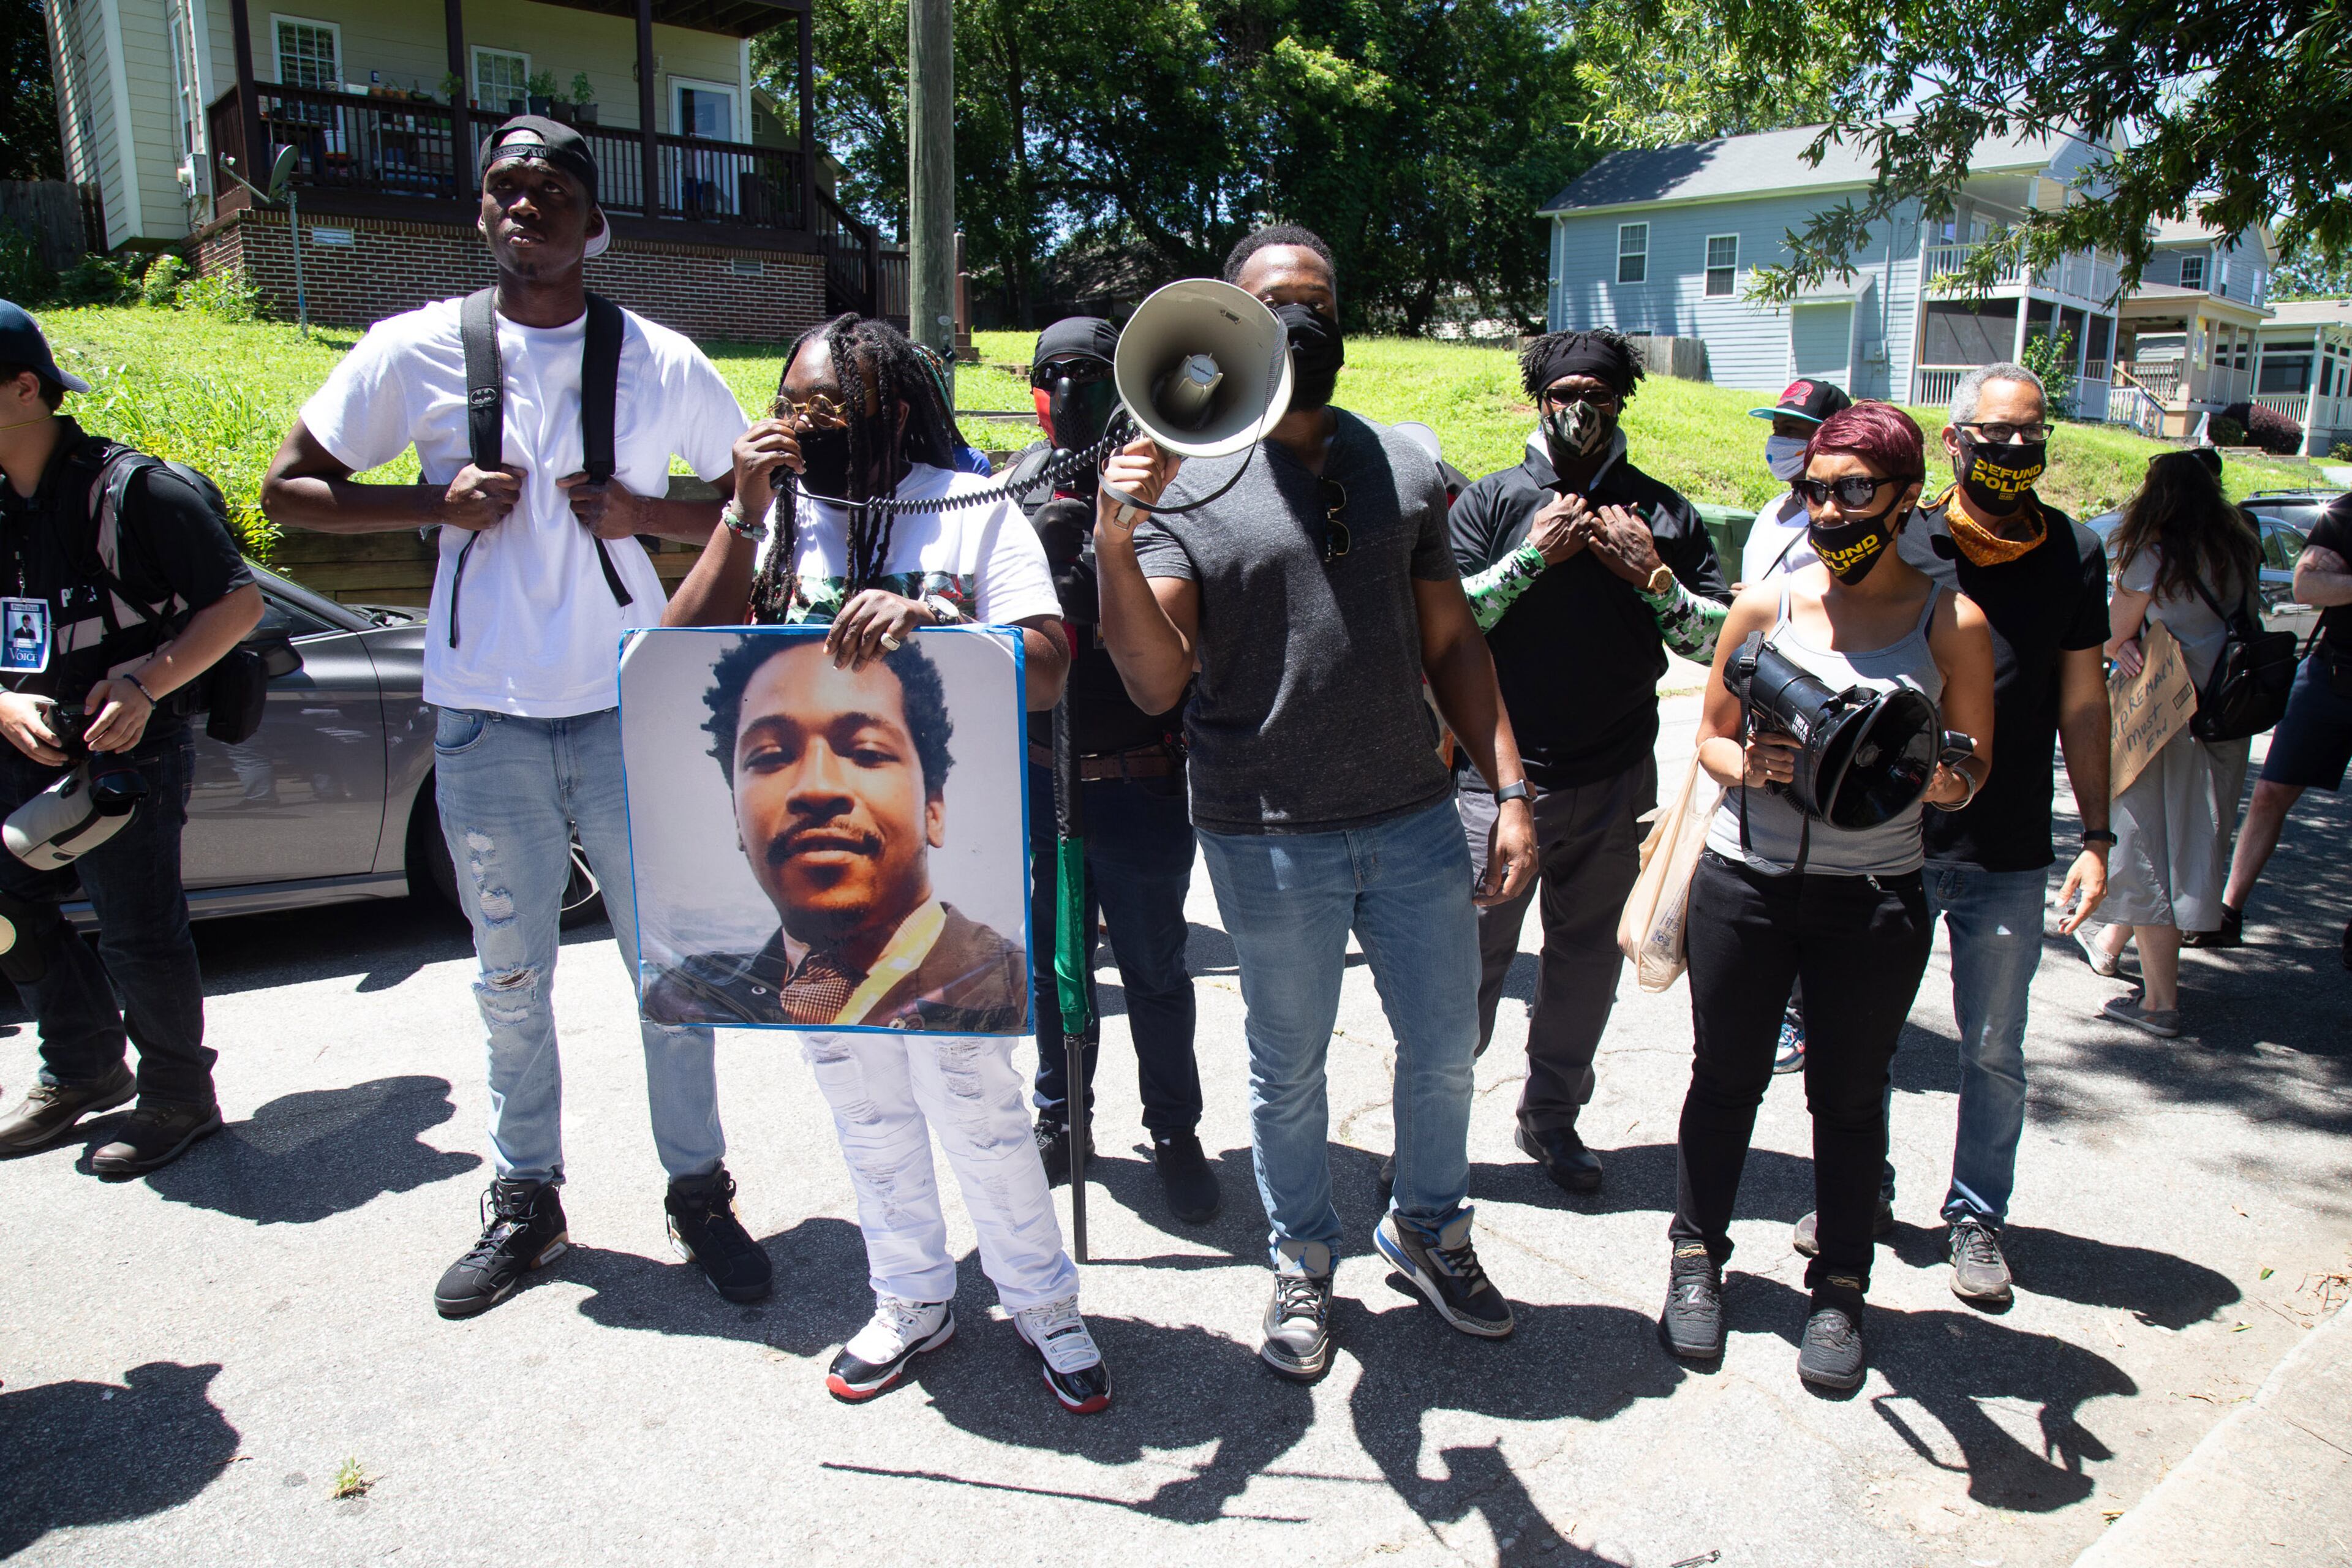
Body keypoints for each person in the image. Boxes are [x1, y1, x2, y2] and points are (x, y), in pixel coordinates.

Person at [258, 117, 767, 1319]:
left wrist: (645, 511)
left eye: (551, 192)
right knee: (508, 978)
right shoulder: (415, 349)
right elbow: (288, 493)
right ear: (482, 212)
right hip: (484, 717)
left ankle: (700, 1189)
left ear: (594, 223)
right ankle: (525, 1197)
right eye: (505, 189)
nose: (525, 207)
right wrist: (435, 498)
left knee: (672, 967)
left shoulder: (658, 359)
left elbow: (760, 498)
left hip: (629, 709)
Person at [1091, 224, 1539, 1381]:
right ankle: (1302, 1256)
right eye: (1276, 302)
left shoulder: (1400, 458)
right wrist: (1114, 537)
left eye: (1320, 300)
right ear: (1232, 327)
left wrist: (1513, 791)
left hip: (1412, 818)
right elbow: (1152, 677)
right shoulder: (1190, 477)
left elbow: (1453, 639)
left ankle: (1430, 1229)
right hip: (1265, 831)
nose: (1305, 320)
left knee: (1444, 1047)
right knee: (1288, 1067)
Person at [663, 314, 1107, 1414]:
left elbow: (1048, 668)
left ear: (892, 407)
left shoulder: (969, 505)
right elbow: (677, 658)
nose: (803, 424)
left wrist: (938, 619)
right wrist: (739, 512)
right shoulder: (780, 516)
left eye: (826, 407)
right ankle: (912, 1294)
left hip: (947, 885)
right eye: (791, 404)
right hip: (812, 907)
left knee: (973, 1100)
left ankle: (1043, 1302)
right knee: (861, 1105)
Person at [1663, 401, 1994, 1392]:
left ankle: (1843, 1288)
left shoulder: (1953, 621)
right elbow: (1709, 737)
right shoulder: (1765, 605)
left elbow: (1977, 768)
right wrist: (1754, 764)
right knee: (1724, 1079)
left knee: (1849, 1098)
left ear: (1904, 500)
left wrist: (1939, 775)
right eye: (1815, 489)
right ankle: (1693, 1261)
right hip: (1747, 885)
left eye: (1854, 490)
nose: (1830, 510)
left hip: (1875, 899)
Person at [1790, 361, 2112, 1310]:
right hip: (1892, 835)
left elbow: (2086, 701)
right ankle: (1864, 1188)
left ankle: (1977, 1216)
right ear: (1957, 439)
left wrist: (2099, 834)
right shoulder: (1906, 537)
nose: (2016, 450)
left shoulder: (2076, 551)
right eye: (1997, 433)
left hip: (2007, 845)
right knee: (1865, 1038)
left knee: (1994, 1048)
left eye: (2033, 432)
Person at [1447, 328, 1730, 1193]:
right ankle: (1434, 1135)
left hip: (1616, 783)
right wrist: (1532, 559)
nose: (1581, 410)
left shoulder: (1661, 511)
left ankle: (1552, 1117)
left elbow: (1722, 640)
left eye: (1599, 395)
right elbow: (1444, 632)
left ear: (1622, 401)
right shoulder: (1491, 502)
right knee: (1464, 969)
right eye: (1564, 393)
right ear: (1539, 402)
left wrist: (1655, 581)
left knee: (1583, 967)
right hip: (1493, 786)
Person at [0, 301, 264, 1172]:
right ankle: (82, 1070)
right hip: (21, 744)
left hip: (130, 748)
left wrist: (147, 683)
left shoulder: (135, 490)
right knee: (8, 908)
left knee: (136, 930)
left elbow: (239, 604)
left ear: (24, 388)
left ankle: (179, 1095)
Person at [1014, 316, 1218, 1225]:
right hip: (1036, 776)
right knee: (1056, 971)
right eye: (1051, 374)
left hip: (1136, 778)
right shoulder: (1008, 485)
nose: (1068, 392)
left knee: (1154, 972)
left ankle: (1174, 1133)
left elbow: (1165, 660)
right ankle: (1062, 1120)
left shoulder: (1162, 486)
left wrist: (1109, 537)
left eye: (1089, 374)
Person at [642, 635, 1026, 1031]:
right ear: (737, 818)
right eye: (771, 756)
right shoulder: (689, 995)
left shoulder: (1016, 990)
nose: (818, 788)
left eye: (868, 753)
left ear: (933, 809)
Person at [2080, 454, 2264, 1032]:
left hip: (2162, 716)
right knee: (2194, 843)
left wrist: (2118, 648)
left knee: (2146, 849)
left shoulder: (2152, 553)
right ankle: (2110, 945)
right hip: (2226, 711)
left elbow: (2112, 633)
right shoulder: (2240, 546)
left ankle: (2160, 1004)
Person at [1733, 379, 1855, 1077]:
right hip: (1760, 709)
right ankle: (1775, 1003)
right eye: (1776, 424)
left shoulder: (1841, 521)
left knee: (1816, 861)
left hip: (1821, 709)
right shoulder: (1770, 517)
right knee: (1762, 867)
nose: (1782, 440)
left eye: (1797, 427)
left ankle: (1812, 1012)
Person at [2207, 491, 2352, 970]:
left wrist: (2344, 580)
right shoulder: (2347, 512)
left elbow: (2330, 585)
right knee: (2270, 793)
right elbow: (2309, 587)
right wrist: (2327, 581)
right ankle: (2227, 912)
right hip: (2334, 673)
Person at [1739, 378, 1855, 589]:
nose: (1777, 440)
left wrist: (1762, 603)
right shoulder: (1773, 507)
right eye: (1776, 429)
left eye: (1791, 430)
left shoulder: (1838, 519)